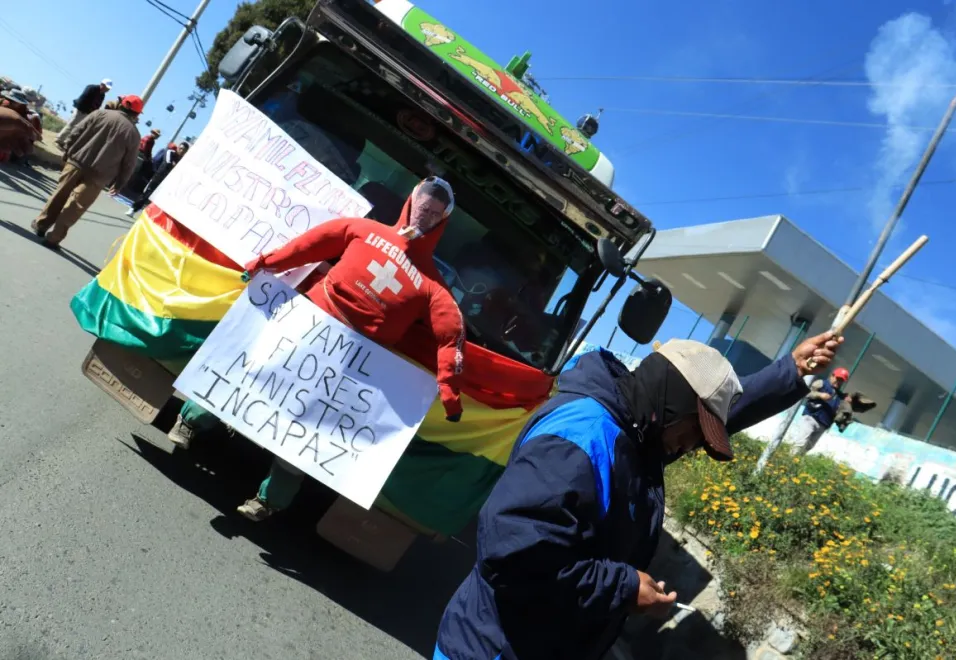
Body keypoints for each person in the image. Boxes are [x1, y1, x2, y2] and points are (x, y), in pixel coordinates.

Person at [433, 331, 842, 660]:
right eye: (694, 432)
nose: (690, 448)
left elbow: (714, 410)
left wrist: (790, 371)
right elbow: (513, 554)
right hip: (495, 647)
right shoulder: (581, 439)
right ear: (670, 405)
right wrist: (624, 588)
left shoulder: (639, 430)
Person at [166, 177, 467, 521]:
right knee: (248, 377)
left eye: (434, 214)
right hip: (303, 329)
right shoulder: (363, 229)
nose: (425, 216)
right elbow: (309, 245)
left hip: (352, 365)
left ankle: (270, 501)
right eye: (424, 208)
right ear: (412, 203)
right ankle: (189, 421)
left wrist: (450, 392)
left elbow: (451, 335)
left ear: (442, 221)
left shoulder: (431, 285)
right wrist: (265, 263)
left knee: (309, 431)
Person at [31, 94, 142, 248]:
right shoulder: (134, 135)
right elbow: (129, 164)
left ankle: (41, 224)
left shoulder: (100, 114)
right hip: (99, 176)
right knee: (75, 206)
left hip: (76, 162)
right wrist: (119, 184)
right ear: (137, 114)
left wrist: (67, 150)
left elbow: (76, 131)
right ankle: (53, 238)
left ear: (122, 104)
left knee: (60, 194)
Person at [126, 140, 188, 217]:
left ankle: (149, 216)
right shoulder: (170, 152)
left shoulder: (184, 160)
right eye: (181, 148)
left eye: (184, 150)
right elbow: (167, 163)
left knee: (158, 200)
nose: (182, 151)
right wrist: (174, 166)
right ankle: (133, 209)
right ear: (178, 148)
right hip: (158, 178)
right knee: (146, 194)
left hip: (168, 182)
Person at [795, 367, 849, 455]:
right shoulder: (821, 383)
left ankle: (795, 461)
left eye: (842, 380)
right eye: (838, 378)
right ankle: (788, 458)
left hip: (824, 424)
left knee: (809, 447)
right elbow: (807, 393)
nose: (839, 382)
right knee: (800, 443)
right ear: (832, 376)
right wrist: (820, 395)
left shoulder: (840, 395)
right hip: (811, 418)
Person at [55, 78, 112, 149]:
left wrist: (93, 112)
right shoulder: (91, 88)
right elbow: (83, 99)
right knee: (72, 125)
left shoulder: (102, 95)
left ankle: (65, 142)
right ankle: (59, 140)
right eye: (106, 87)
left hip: (88, 113)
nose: (107, 90)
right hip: (80, 109)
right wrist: (85, 109)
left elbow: (98, 105)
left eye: (108, 89)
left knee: (77, 128)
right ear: (102, 84)